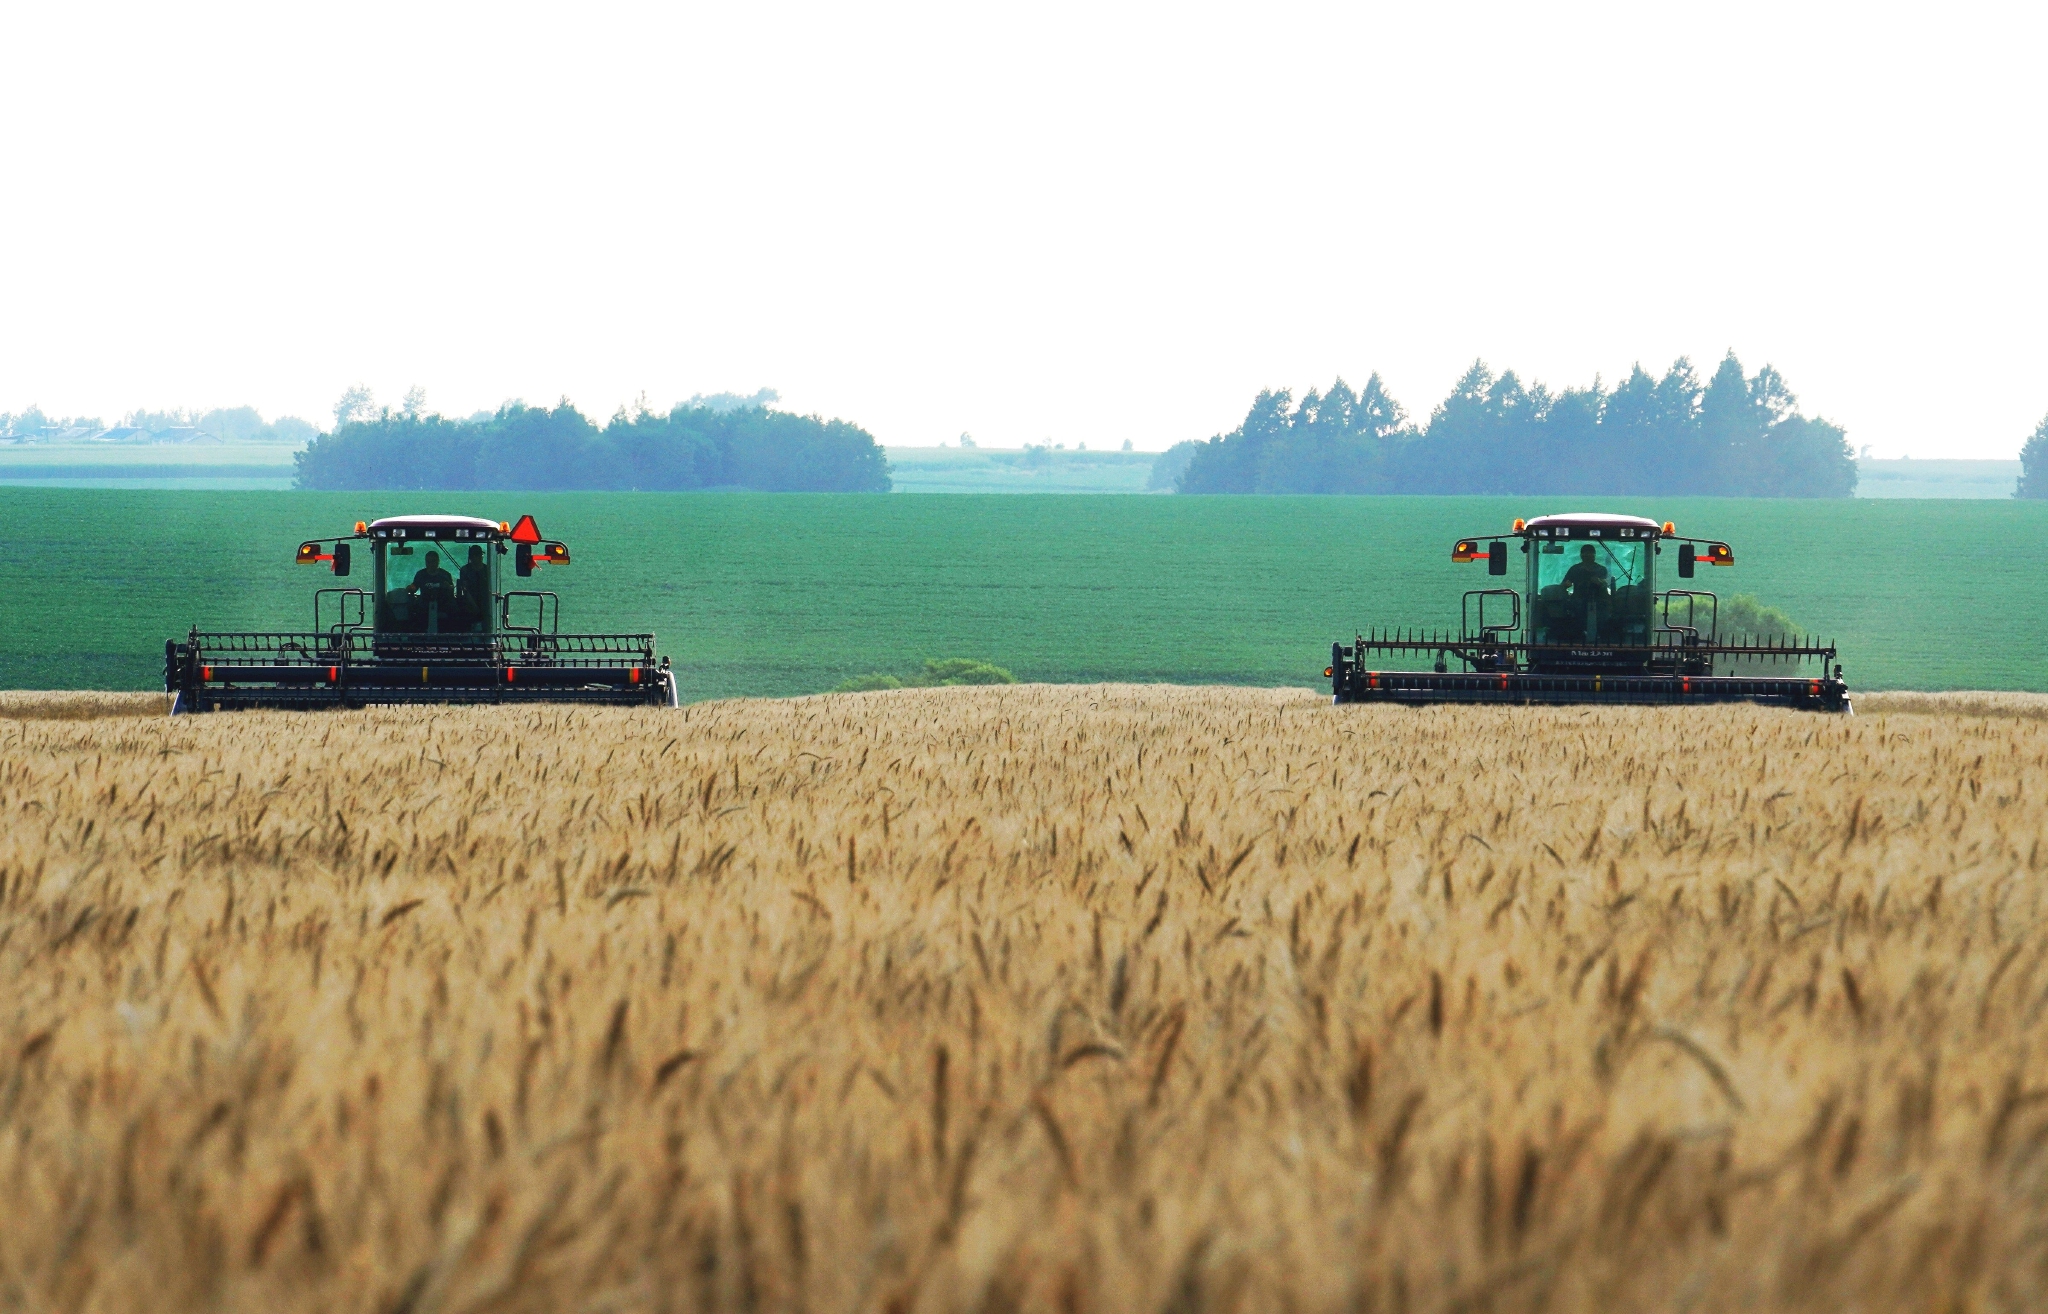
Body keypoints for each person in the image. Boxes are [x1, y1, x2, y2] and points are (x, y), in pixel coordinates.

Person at [458, 546, 490, 627]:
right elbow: (465, 590)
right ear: (471, 557)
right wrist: (473, 605)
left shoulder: (488, 570)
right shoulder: (465, 570)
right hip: (469, 603)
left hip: (485, 602)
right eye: (476, 555)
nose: (479, 558)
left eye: (480, 555)